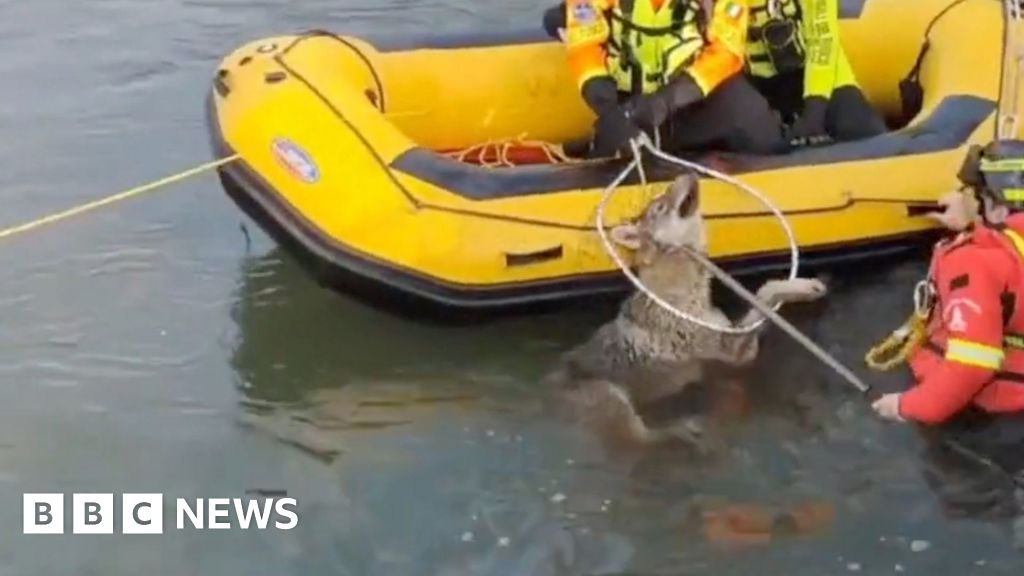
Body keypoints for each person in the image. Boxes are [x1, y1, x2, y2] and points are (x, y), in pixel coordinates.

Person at [871, 140, 1024, 487]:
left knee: (962, 493)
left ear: (996, 208)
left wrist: (908, 406)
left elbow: (973, 364)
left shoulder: (976, 261)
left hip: (988, 415)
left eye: (979, 197)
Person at [542, 0, 788, 158]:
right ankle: (602, 144)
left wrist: (666, 101)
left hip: (693, 94)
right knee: (618, 146)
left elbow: (726, 52)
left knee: (762, 136)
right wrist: (609, 110)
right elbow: (585, 45)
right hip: (631, 99)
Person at [742, 0, 887, 147]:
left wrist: (814, 112)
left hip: (827, 82)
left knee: (866, 134)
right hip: (755, 87)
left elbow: (823, 39)